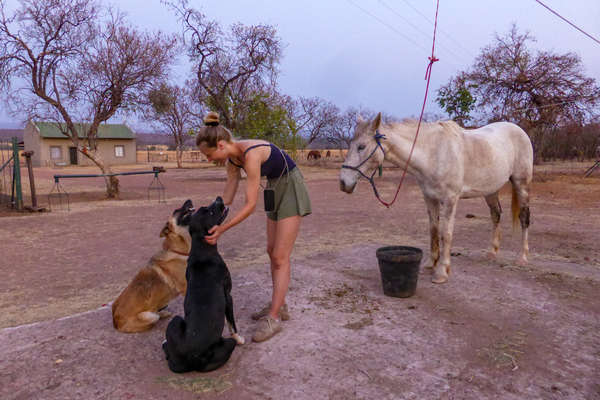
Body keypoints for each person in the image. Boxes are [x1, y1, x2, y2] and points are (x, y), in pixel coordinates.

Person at [196, 111, 311, 343]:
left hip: (291, 186)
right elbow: (228, 196)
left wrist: (224, 229)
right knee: (271, 250)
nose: (209, 160)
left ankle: (274, 317)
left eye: (209, 155)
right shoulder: (232, 160)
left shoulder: (250, 155)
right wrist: (214, 218)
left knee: (280, 256)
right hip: (274, 188)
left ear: (220, 145)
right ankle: (281, 305)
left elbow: (249, 205)